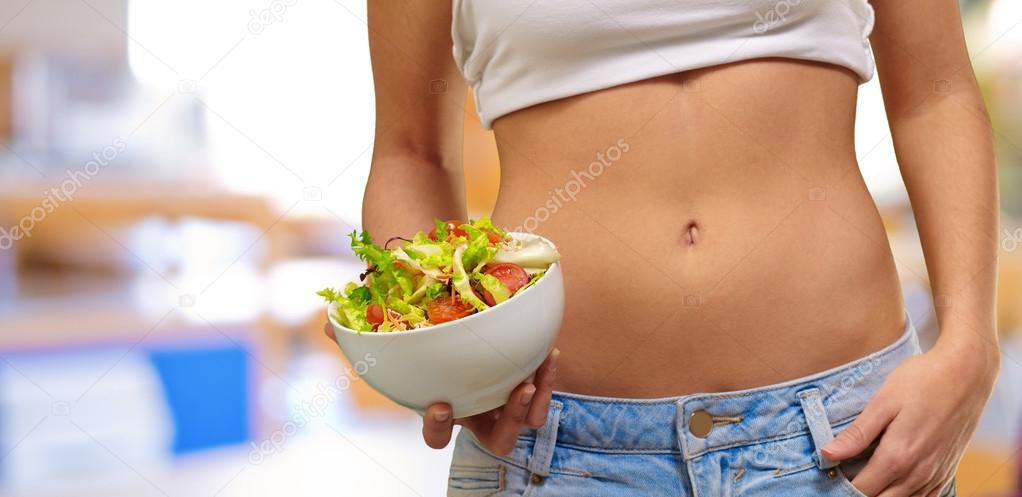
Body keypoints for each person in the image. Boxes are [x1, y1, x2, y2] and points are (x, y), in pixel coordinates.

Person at [326, 1, 999, 495]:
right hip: (552, 451)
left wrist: (972, 343)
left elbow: (936, 94)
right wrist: (441, 360)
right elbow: (410, 152)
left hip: (847, 437)